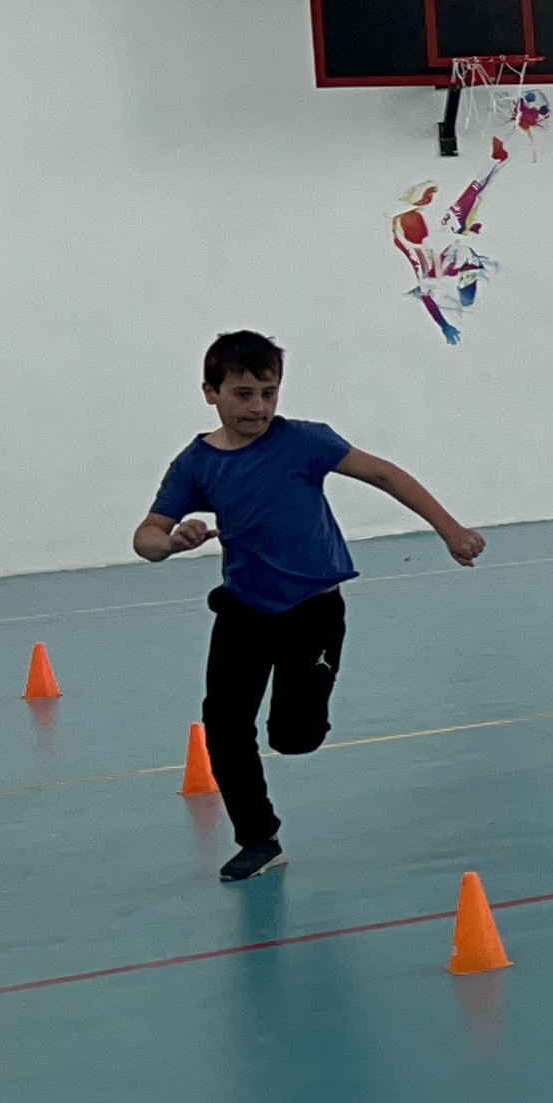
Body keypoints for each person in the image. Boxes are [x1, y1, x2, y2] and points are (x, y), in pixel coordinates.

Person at [134, 331, 484, 882]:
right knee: (224, 726)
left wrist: (450, 530)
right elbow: (147, 536)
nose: (258, 407)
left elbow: (384, 473)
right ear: (210, 392)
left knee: (293, 738)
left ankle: (308, 705)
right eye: (243, 394)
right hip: (243, 610)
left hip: (313, 612)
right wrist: (171, 543)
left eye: (269, 393)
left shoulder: (304, 442)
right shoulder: (197, 463)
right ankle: (259, 840)